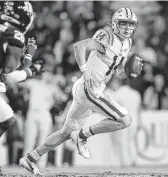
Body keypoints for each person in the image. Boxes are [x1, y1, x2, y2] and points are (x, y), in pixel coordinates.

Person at [20, 8, 143, 175]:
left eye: (131, 24)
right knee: (125, 120)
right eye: (124, 23)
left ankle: (30, 158)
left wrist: (128, 73)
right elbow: (79, 46)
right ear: (115, 24)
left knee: (65, 133)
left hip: (90, 88)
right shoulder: (106, 36)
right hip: (90, 89)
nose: (127, 28)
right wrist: (85, 71)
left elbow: (117, 71)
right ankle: (82, 135)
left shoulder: (127, 43)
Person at [0, 1, 44, 139]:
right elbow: (8, 76)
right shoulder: (14, 34)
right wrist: (32, 70)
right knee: (7, 119)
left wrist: (28, 58)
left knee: (6, 116)